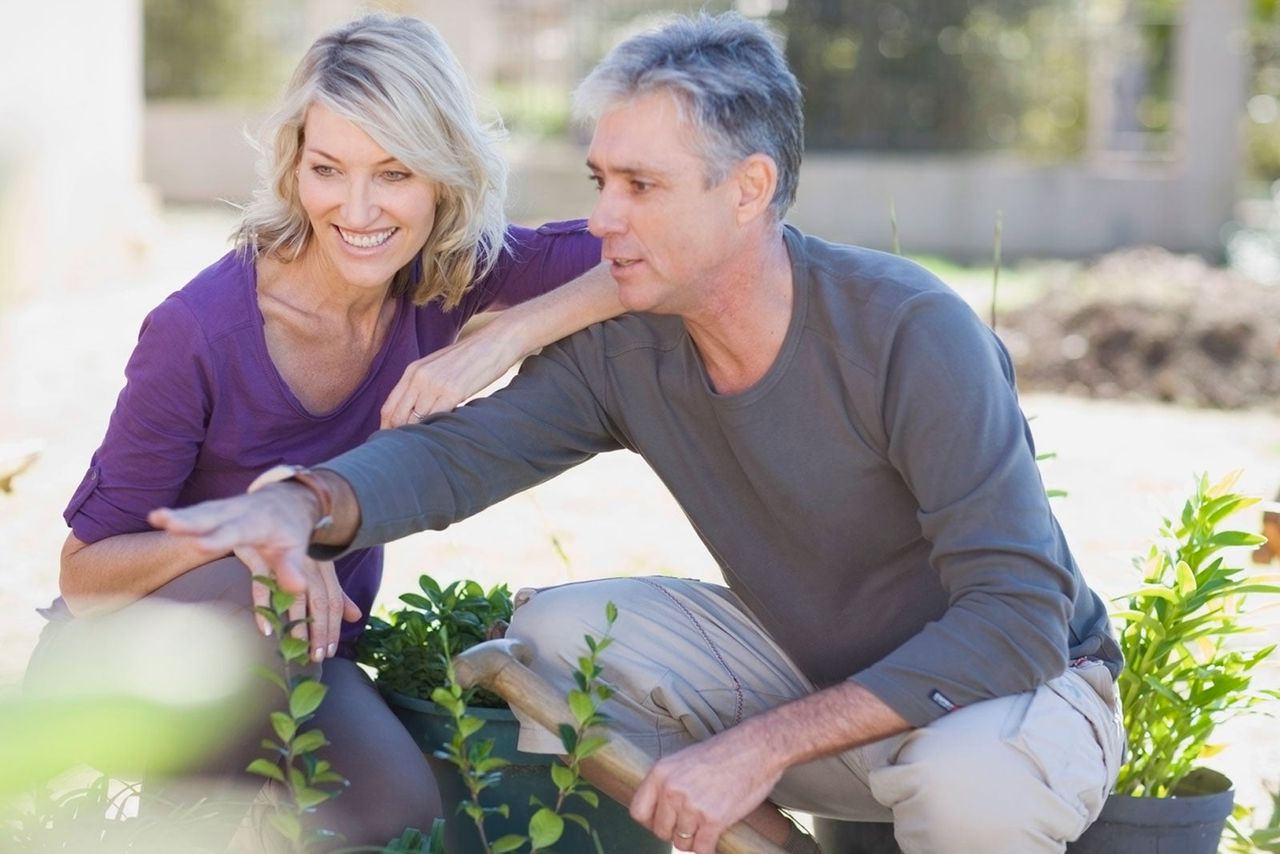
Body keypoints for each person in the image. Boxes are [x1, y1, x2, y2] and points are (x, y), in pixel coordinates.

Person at [151, 12, 1126, 854]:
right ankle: (765, 841)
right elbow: (457, 452)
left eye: (640, 187)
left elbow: (1014, 617)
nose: (602, 217)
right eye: (598, 179)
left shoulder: (910, 331)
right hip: (819, 677)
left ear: (747, 189)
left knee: (966, 782)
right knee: (552, 637)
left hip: (1012, 695)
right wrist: (304, 502)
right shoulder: (630, 343)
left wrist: (758, 745)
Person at [26, 13, 620, 847]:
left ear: (444, 176)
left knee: (404, 820)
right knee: (259, 581)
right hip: (132, 670)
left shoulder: (448, 275)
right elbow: (85, 578)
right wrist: (250, 537)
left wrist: (516, 332)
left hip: (301, 660)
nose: (358, 208)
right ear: (293, 166)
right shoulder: (198, 331)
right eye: (328, 170)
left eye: (394, 173)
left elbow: (653, 249)